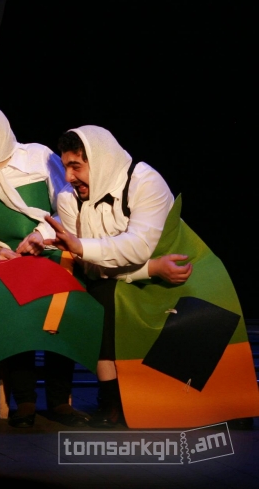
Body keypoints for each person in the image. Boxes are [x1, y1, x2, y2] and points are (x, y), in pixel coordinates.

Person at [44, 125, 259, 429]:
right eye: (65, 166)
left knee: (207, 306)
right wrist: (149, 269)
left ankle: (225, 404)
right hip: (126, 278)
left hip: (176, 270)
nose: (68, 177)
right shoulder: (70, 198)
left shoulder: (143, 181)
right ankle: (113, 400)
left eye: (76, 166)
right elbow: (94, 268)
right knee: (102, 296)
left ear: (101, 161)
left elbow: (138, 246)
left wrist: (85, 248)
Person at [0, 105, 103, 428]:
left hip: (50, 250)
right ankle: (25, 399)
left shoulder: (37, 157)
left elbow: (68, 207)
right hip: (1, 261)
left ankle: (59, 400)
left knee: (65, 300)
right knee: (12, 304)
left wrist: (41, 235)